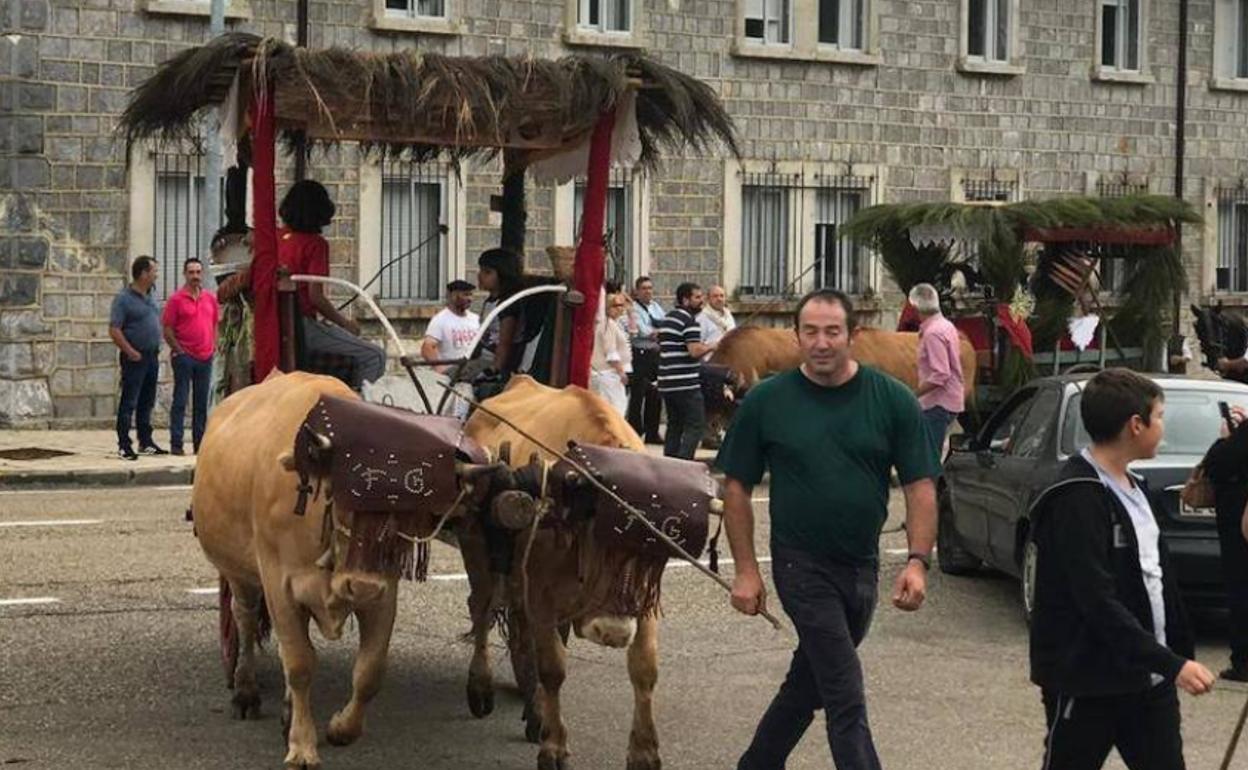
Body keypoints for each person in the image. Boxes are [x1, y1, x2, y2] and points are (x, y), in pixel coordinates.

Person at [718, 288, 939, 770]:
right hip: (800, 565)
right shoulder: (766, 401)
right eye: (811, 332)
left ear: (852, 335)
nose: (821, 343)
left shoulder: (893, 400)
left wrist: (918, 561)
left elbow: (921, 486)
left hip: (861, 567)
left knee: (808, 682)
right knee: (843, 689)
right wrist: (747, 571)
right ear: (797, 337)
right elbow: (736, 488)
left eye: (832, 332)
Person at [1029, 369, 1214, 770]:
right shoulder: (1076, 499)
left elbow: (1156, 580)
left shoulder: (1135, 487)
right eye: (1160, 416)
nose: (1162, 426)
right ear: (1136, 425)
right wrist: (1173, 664)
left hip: (1148, 684)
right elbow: (1096, 601)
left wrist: (1173, 655)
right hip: (1089, 682)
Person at [278, 179, 385, 390]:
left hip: (277, 322)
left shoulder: (275, 237)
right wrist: (346, 324)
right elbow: (315, 297)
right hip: (301, 325)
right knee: (375, 356)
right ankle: (356, 410)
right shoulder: (315, 244)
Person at [1196, 403, 1248, 682]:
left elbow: (1216, 464)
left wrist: (1227, 437)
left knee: (1240, 588)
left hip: (1238, 526)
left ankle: (1243, 661)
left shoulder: (1239, 439)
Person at [109, 256, 167, 461]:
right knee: (129, 401)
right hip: (134, 357)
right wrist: (130, 351)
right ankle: (124, 444)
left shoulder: (152, 295)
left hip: (151, 356)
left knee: (147, 401)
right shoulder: (124, 299)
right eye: (154, 271)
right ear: (143, 274)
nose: (156, 275)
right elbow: (114, 329)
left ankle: (146, 441)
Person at [161, 257, 219, 456]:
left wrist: (213, 346)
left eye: (198, 272)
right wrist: (178, 350)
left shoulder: (210, 298)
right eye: (191, 272)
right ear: (185, 274)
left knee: (201, 403)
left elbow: (214, 324)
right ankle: (176, 444)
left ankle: (199, 444)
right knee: (180, 400)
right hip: (184, 356)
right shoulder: (176, 300)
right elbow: (167, 329)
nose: (195, 276)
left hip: (205, 357)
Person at [657, 282, 716, 459]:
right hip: (685, 384)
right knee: (695, 425)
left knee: (675, 425)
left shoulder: (668, 318)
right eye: (697, 297)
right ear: (685, 299)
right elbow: (694, 351)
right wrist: (712, 346)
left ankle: (670, 462)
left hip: (667, 383)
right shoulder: (690, 322)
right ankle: (684, 463)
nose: (701, 301)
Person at [910, 283, 965, 464]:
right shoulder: (946, 326)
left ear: (916, 307)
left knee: (929, 460)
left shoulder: (933, 333)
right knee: (936, 453)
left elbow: (941, 374)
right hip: (949, 401)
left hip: (938, 403)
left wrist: (913, 394)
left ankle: (931, 490)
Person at [627, 276, 665, 444]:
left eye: (650, 287)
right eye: (644, 288)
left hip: (655, 354)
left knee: (655, 393)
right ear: (637, 291)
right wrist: (658, 331)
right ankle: (635, 430)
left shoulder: (656, 307)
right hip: (640, 354)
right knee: (638, 394)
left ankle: (652, 432)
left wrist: (659, 331)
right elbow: (644, 332)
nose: (648, 291)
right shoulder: (633, 309)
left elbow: (666, 325)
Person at [421, 280, 480, 373]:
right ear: (451, 295)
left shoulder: (476, 319)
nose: (469, 299)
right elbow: (427, 347)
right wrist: (440, 369)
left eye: (470, 295)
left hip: (473, 373)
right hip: (452, 374)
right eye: (465, 295)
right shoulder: (440, 320)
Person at [591, 289, 632, 415]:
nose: (621, 309)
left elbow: (633, 330)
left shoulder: (614, 323)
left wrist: (631, 311)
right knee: (616, 411)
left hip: (610, 374)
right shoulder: (607, 325)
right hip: (609, 374)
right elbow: (611, 352)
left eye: (622, 306)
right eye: (617, 306)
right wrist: (621, 373)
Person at [698, 284, 736, 357]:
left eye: (722, 296)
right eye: (715, 296)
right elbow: (698, 345)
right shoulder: (702, 318)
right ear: (708, 299)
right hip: (710, 362)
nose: (719, 299)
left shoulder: (729, 316)